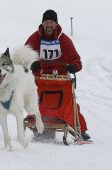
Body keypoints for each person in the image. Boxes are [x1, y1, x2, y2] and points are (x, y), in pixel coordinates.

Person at [24, 9, 90, 140]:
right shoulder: (34, 38)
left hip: (60, 80)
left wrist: (73, 67)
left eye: (52, 22)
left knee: (70, 102)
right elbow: (23, 59)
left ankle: (79, 129)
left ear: (56, 24)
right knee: (34, 100)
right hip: (40, 81)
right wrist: (32, 64)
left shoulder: (64, 40)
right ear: (42, 24)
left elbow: (77, 61)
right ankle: (40, 125)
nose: (49, 25)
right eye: (46, 22)